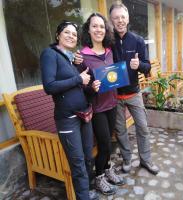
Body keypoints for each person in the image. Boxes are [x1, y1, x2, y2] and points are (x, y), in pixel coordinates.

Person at [40, 20, 99, 200]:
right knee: (78, 163)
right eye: (67, 32)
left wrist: (91, 88)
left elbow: (78, 87)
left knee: (88, 157)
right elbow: (49, 86)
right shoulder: (50, 54)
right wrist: (78, 80)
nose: (71, 36)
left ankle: (85, 192)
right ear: (58, 35)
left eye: (74, 34)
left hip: (84, 116)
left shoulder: (71, 58)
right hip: (67, 119)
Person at [109, 2, 160, 175]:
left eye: (122, 17)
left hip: (133, 93)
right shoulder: (108, 41)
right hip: (115, 96)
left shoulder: (137, 40)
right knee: (121, 131)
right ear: (112, 20)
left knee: (143, 128)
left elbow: (147, 67)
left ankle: (146, 160)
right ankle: (127, 159)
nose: (120, 21)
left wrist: (139, 65)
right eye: (116, 18)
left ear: (128, 18)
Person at [79, 13, 125, 195]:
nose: (99, 30)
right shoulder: (82, 56)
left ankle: (107, 169)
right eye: (94, 26)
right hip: (97, 108)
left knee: (110, 141)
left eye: (101, 26)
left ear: (106, 30)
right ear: (88, 30)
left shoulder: (109, 51)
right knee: (105, 143)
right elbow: (80, 85)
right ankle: (99, 177)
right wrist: (92, 87)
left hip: (112, 103)